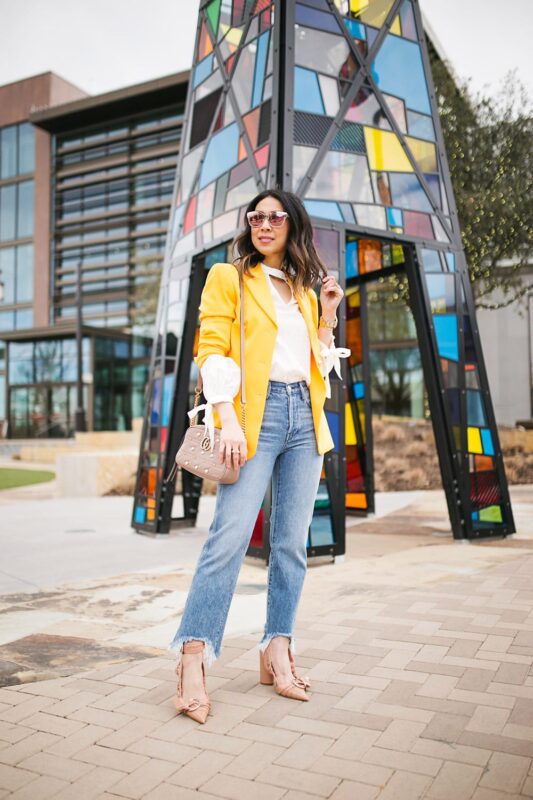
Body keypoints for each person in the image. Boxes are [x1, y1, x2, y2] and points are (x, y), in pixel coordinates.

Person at [169, 188, 350, 723]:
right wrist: (225, 417)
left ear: (293, 225)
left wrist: (329, 315)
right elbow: (212, 348)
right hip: (255, 415)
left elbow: (319, 365)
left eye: (274, 216)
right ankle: (193, 656)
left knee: (291, 545)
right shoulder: (230, 277)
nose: (263, 224)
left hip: (304, 419)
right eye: (255, 216)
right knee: (228, 538)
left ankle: (277, 649)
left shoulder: (305, 289)